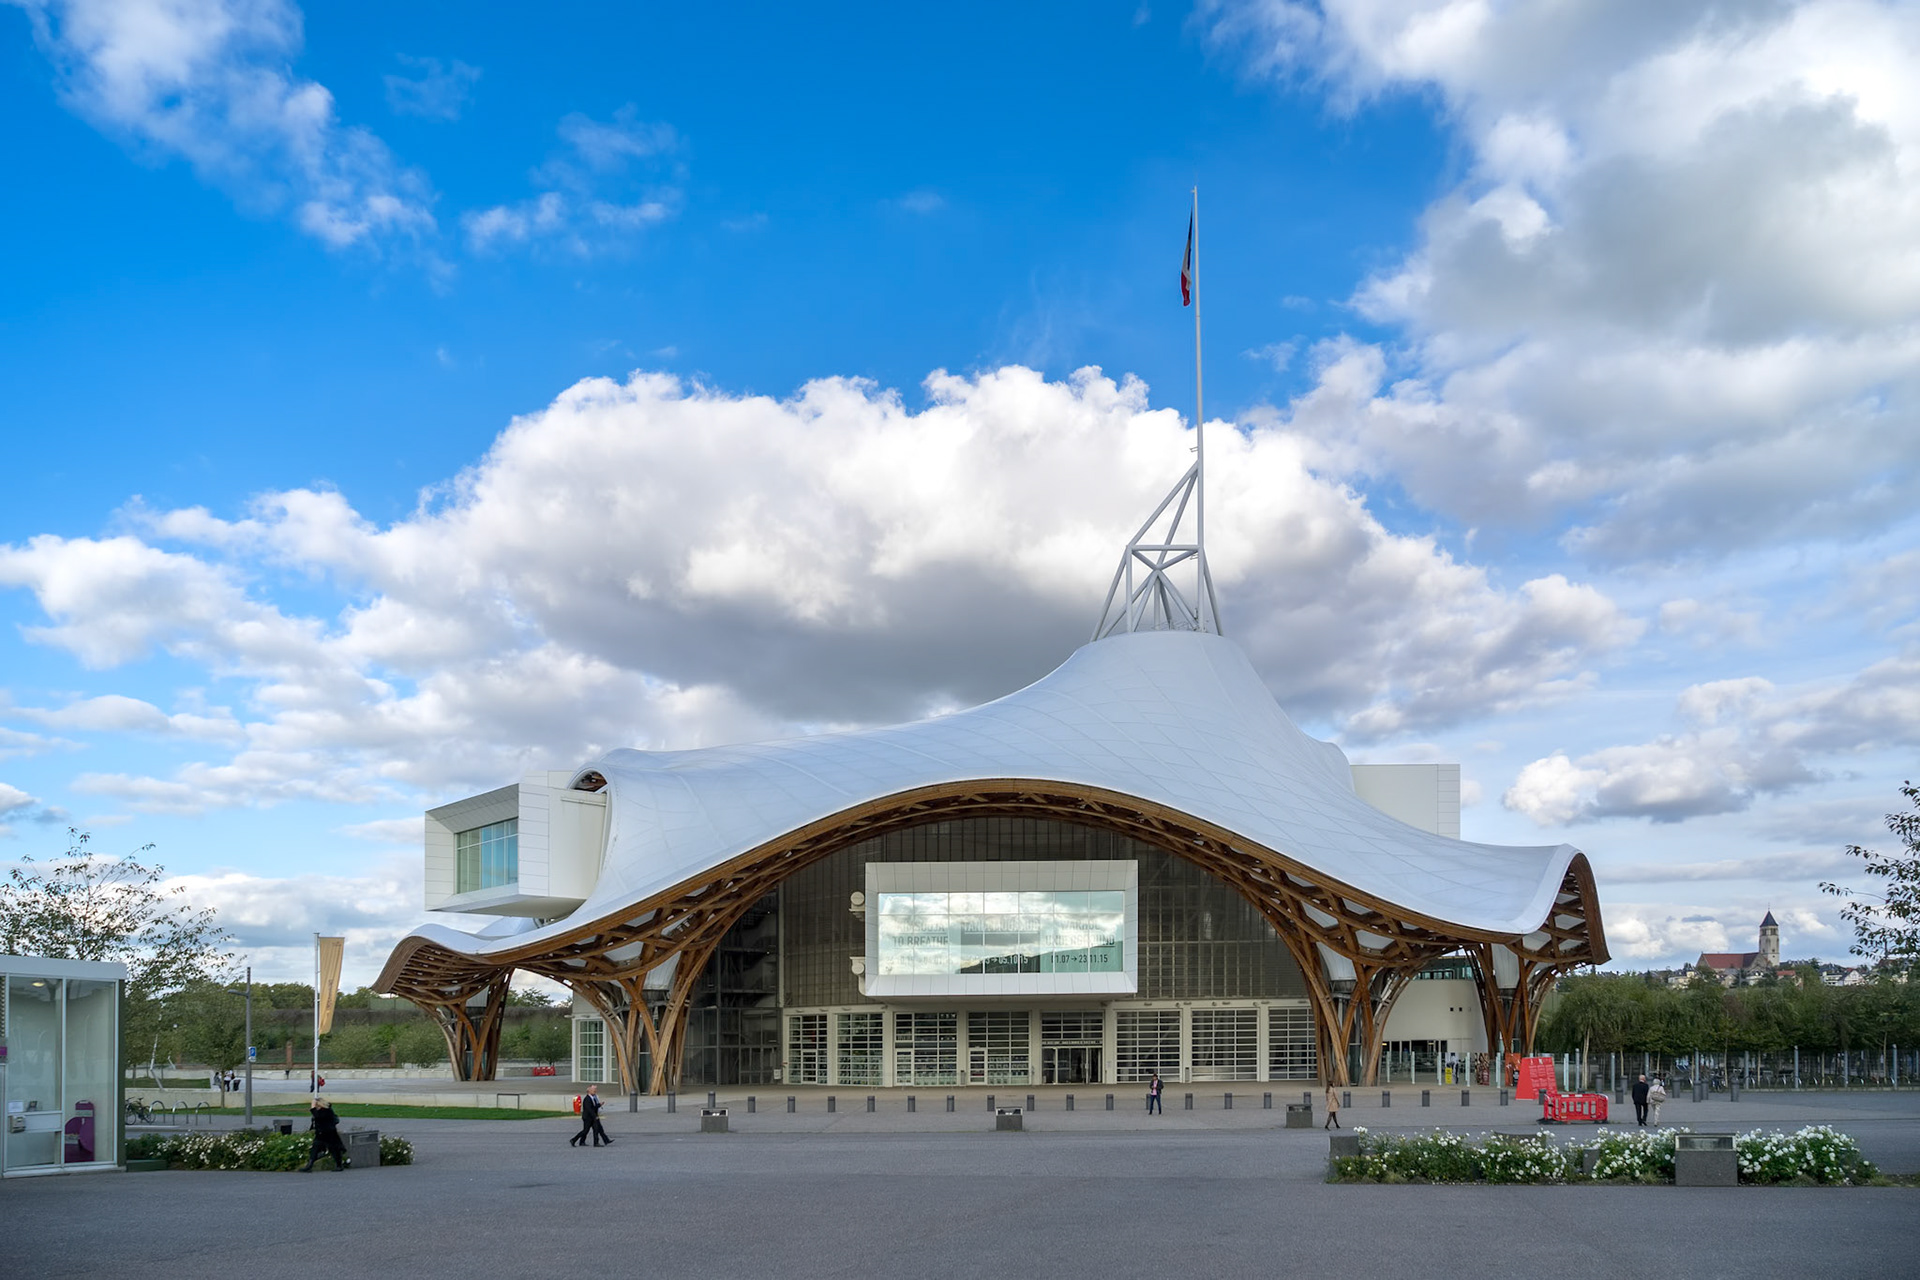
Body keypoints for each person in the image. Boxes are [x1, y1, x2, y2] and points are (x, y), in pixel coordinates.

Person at [300, 1096, 349, 1172]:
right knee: (315, 1149)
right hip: (321, 1134)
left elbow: (318, 1117)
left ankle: (339, 1165)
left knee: (334, 1149)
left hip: (329, 1134)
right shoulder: (320, 1111)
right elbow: (316, 1120)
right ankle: (309, 1165)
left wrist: (312, 1108)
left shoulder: (326, 1111)